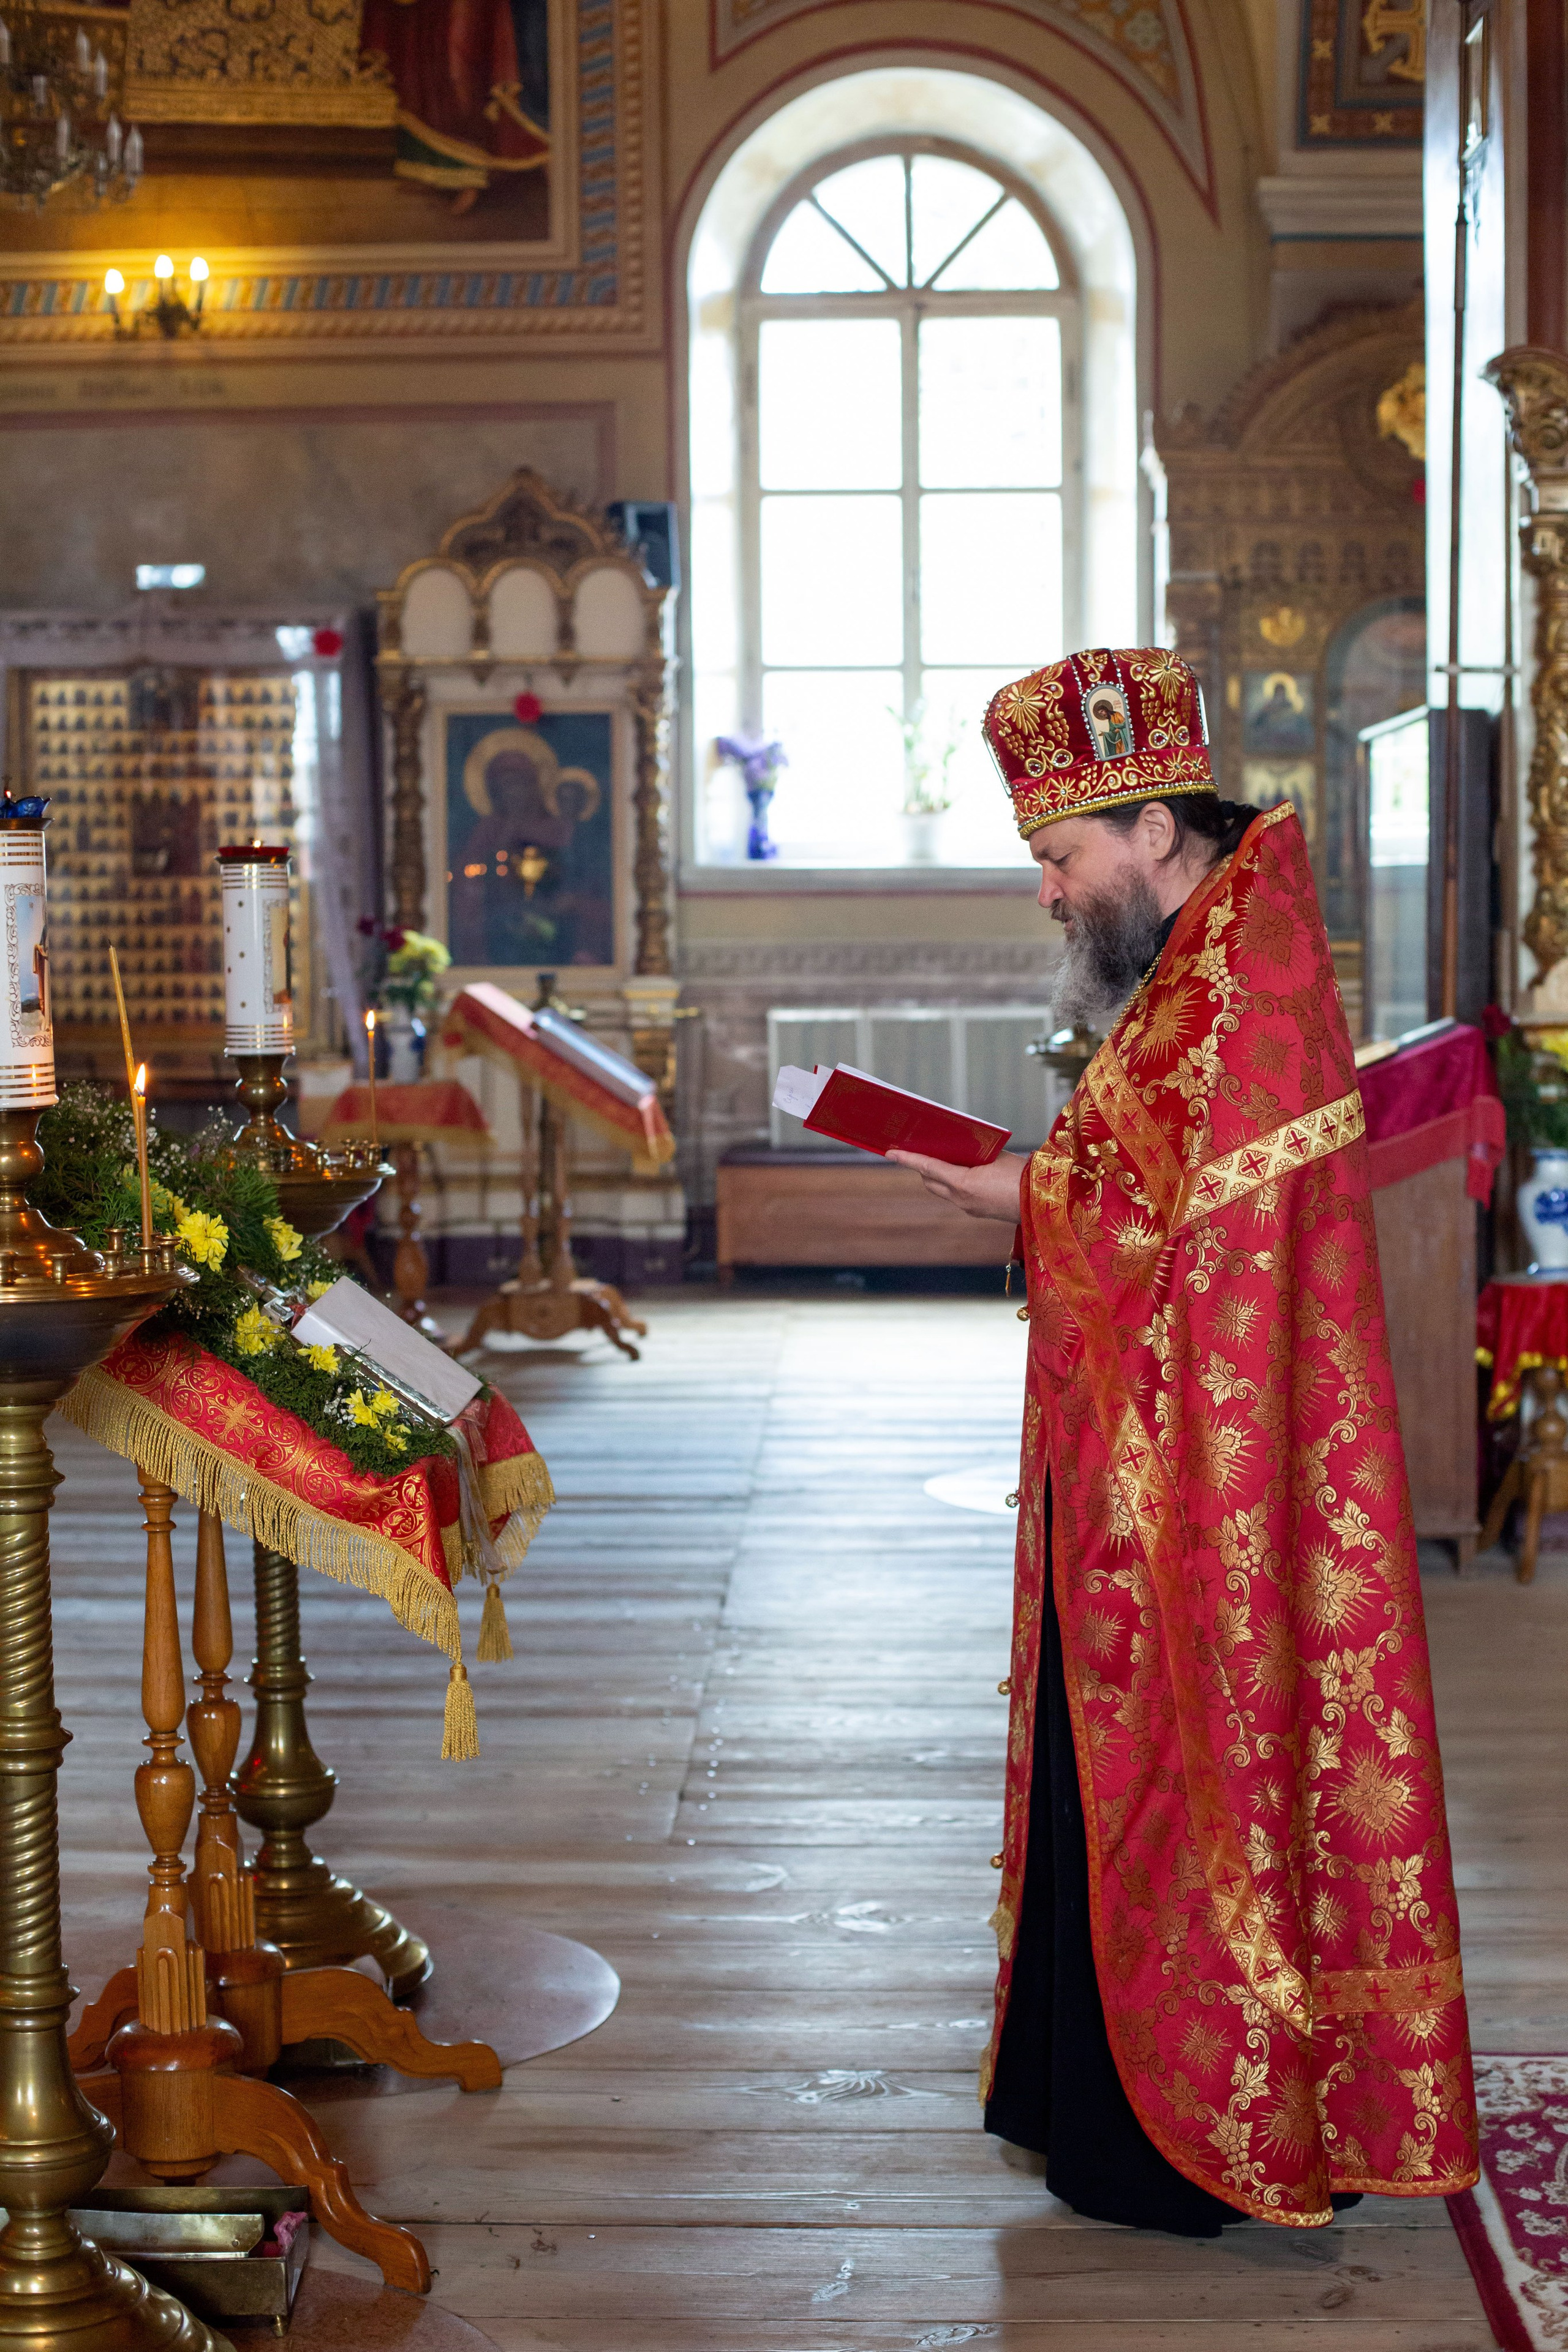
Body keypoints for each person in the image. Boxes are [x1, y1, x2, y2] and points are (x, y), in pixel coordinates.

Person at [891, 645, 1479, 2232]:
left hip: (1212, 1490)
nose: (1050, 892)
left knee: (1199, 1767)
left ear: (1157, 831)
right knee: (1114, 1765)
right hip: (1147, 1467)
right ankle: (1096, 2105)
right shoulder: (1211, 952)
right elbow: (1153, 1186)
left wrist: (1031, 1195)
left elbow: (1195, 1235)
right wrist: (1050, 1185)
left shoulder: (1253, 974)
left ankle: (1197, 2137)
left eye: (1063, 857)